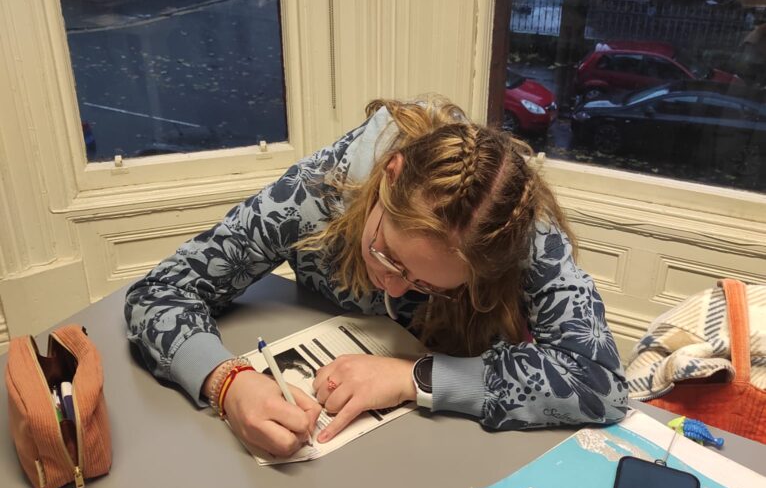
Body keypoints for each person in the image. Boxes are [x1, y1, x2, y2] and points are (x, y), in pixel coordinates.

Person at [125, 96, 627, 457]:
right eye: (387, 256)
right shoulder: (316, 192)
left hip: (453, 453)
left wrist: (415, 376)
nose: (392, 287)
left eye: (429, 285)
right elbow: (161, 290)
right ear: (389, 175)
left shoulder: (520, 235)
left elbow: (600, 382)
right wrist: (227, 382)